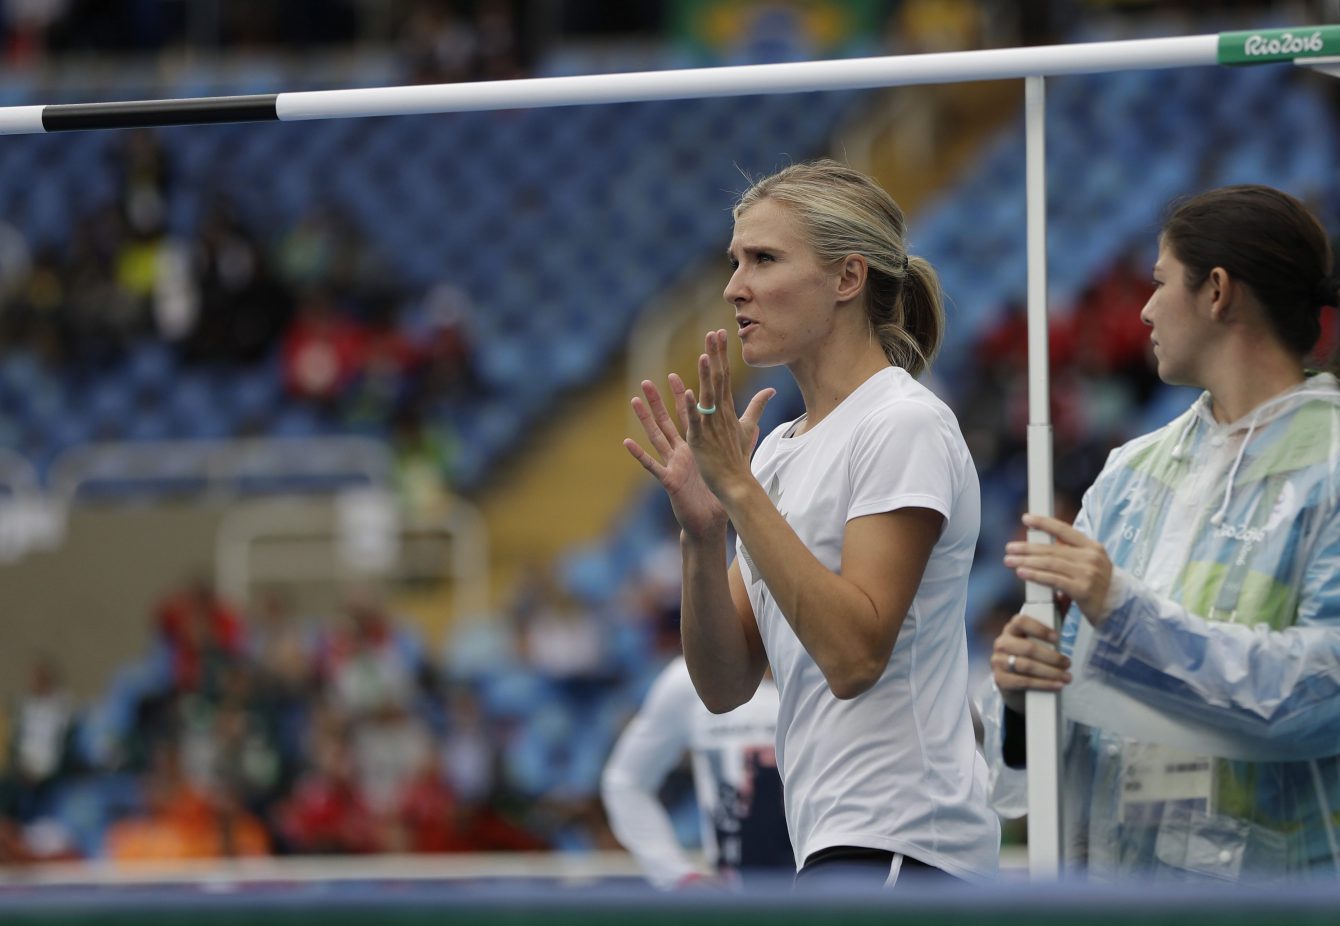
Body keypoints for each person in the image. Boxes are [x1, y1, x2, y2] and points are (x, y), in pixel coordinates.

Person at [624, 159, 999, 886]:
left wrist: (738, 487)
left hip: (908, 842)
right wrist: (704, 537)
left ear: (848, 278)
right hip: (836, 841)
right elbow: (726, 684)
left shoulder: (903, 422)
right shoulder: (778, 455)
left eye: (764, 259)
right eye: (735, 262)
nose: (734, 286)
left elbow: (854, 656)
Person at [982, 184, 1340, 881]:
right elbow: (1085, 700)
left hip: (1291, 895)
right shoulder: (1130, 474)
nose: (1142, 308)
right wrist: (1026, 698)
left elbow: (1323, 693)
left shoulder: (1332, 461)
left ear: (1217, 291)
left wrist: (1125, 612)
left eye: (1158, 282)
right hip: (1128, 892)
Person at [601, 657, 791, 890]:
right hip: (736, 903)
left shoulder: (830, 667)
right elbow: (624, 782)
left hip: (825, 891)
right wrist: (678, 876)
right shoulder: (692, 676)